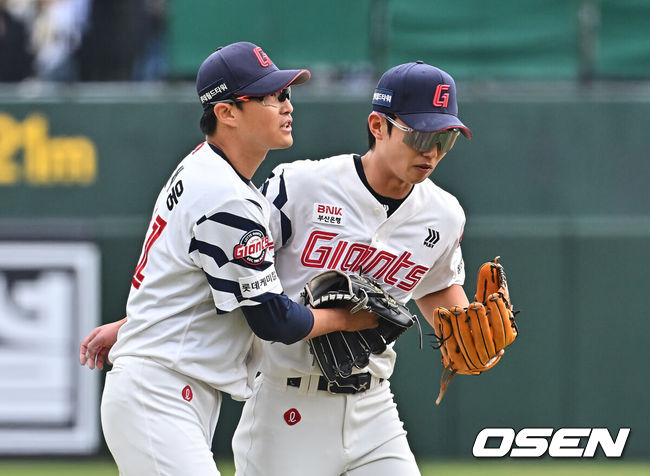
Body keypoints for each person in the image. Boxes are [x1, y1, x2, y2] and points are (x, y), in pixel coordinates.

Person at [82, 60, 479, 475]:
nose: (431, 151)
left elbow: (439, 288)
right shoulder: (290, 187)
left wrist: (468, 339)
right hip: (284, 401)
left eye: (445, 139)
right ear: (378, 126)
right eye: (420, 135)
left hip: (373, 404)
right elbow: (264, 306)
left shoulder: (444, 214)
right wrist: (345, 319)